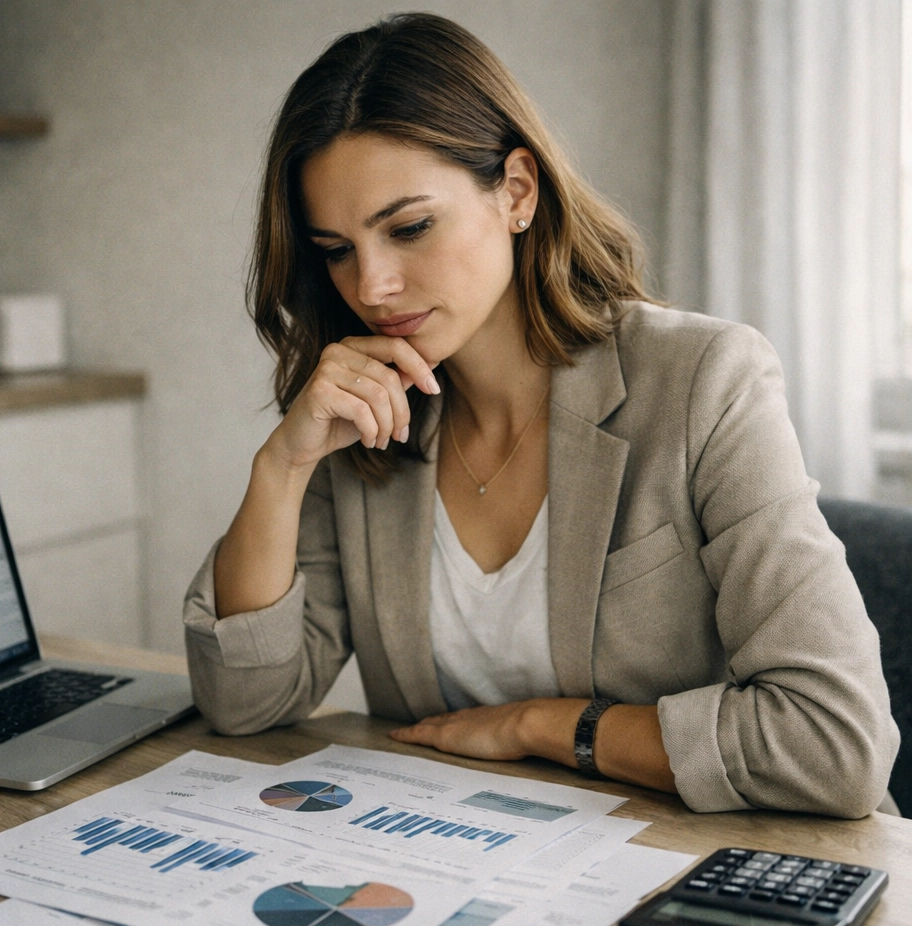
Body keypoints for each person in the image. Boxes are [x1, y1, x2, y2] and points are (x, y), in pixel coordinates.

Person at [184, 12, 899, 817]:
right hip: (447, 870)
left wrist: (546, 727)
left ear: (517, 191)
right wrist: (281, 467)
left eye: (410, 228)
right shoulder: (365, 415)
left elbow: (834, 745)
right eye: (336, 249)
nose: (372, 285)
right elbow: (242, 705)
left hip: (685, 873)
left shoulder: (703, 381)